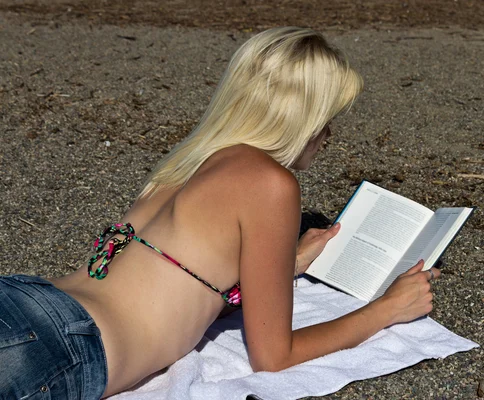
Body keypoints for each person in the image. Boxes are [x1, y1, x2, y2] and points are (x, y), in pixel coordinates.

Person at [0, 27, 440, 399]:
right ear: (300, 116)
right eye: (326, 117)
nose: (328, 133)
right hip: (61, 345)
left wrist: (285, 265)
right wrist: (387, 309)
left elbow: (174, 279)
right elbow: (275, 357)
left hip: (25, 300)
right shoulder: (271, 183)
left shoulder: (189, 159)